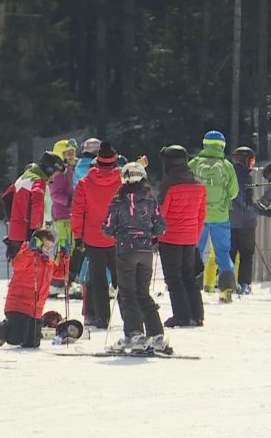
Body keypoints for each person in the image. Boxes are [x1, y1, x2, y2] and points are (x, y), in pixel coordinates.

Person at [102, 162, 169, 353]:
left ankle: (134, 334)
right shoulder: (150, 200)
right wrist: (147, 234)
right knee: (143, 293)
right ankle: (157, 335)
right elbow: (161, 228)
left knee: (127, 293)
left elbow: (107, 228)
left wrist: (119, 232)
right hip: (146, 252)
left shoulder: (118, 201)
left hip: (125, 251)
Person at [71, 141, 121, 329]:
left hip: (93, 238)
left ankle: (102, 318)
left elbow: (77, 212)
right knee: (121, 279)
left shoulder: (85, 183)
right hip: (117, 237)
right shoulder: (122, 181)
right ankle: (130, 318)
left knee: (98, 280)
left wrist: (78, 236)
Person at [0, 228, 56, 349]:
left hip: (35, 309)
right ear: (37, 242)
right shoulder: (27, 253)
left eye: (50, 247)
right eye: (45, 246)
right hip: (19, 304)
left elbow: (61, 273)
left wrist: (64, 256)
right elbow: (17, 265)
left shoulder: (47, 262)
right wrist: (30, 250)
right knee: (16, 338)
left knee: (32, 343)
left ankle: (6, 330)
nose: (47, 249)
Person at [157, 145, 206, 327]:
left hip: (170, 238)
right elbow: (201, 214)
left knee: (174, 278)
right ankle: (197, 315)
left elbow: (160, 213)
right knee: (189, 277)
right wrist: (195, 236)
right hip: (190, 237)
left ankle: (181, 316)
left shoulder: (169, 184)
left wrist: (155, 234)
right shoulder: (198, 184)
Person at [188, 130, 239, 302]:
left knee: (195, 251)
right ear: (223, 145)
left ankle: (192, 289)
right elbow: (234, 192)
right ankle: (226, 290)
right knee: (223, 253)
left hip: (198, 216)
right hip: (220, 217)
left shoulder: (194, 164)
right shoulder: (226, 166)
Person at [2, 151, 65, 259]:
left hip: (16, 235)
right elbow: (37, 205)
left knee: (19, 268)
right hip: (29, 237)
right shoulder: (38, 181)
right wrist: (35, 232)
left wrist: (12, 221)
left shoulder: (23, 178)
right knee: (33, 269)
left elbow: (6, 197)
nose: (53, 179)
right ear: (49, 170)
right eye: (54, 175)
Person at [49, 139, 79, 295]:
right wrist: (70, 201)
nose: (72, 156)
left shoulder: (72, 169)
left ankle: (67, 279)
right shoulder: (59, 173)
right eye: (68, 153)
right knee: (64, 247)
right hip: (62, 215)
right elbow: (55, 194)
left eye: (73, 153)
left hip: (72, 214)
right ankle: (56, 280)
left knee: (72, 248)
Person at [229, 146, 257, 295]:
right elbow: (246, 202)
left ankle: (228, 282)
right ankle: (244, 283)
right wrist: (257, 209)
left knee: (230, 252)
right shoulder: (246, 177)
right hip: (246, 222)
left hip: (229, 220)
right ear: (245, 160)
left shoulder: (228, 174)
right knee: (246, 254)